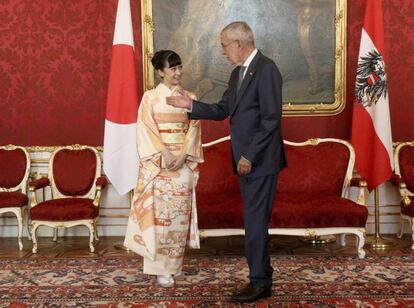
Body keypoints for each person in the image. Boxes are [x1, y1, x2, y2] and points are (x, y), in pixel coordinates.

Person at [166, 21, 286, 303]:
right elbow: (222, 110)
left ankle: (259, 282)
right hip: (246, 160)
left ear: (239, 44)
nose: (222, 51)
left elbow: (271, 121)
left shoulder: (267, 70)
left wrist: (248, 155)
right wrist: (190, 106)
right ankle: (263, 273)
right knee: (254, 220)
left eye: (224, 45)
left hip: (259, 161)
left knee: (254, 222)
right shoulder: (237, 74)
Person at [124, 50, 203, 288]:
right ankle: (160, 269)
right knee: (159, 219)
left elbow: (194, 128)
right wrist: (166, 153)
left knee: (178, 219)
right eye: (172, 68)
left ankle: (175, 265)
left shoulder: (190, 96)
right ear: (160, 72)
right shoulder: (150, 98)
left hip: (181, 164)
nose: (178, 72)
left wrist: (183, 155)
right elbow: (145, 130)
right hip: (159, 165)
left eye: (180, 67)